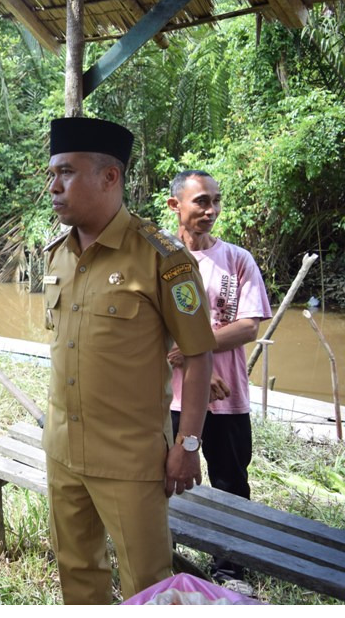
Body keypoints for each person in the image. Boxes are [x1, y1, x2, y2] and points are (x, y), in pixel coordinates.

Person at [42, 117, 216, 604]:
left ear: (109, 177)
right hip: (62, 452)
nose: (54, 187)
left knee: (149, 584)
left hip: (130, 460)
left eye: (67, 173)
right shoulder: (57, 256)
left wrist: (189, 442)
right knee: (77, 573)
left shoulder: (162, 258)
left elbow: (199, 356)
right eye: (52, 174)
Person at [166, 169, 271, 587]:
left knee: (230, 482)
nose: (211, 210)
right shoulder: (160, 257)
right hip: (169, 397)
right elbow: (143, 327)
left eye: (215, 201)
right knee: (165, 476)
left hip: (228, 398)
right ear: (176, 205)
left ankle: (229, 569)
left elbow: (247, 327)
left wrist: (197, 354)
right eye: (201, 202)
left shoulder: (237, 260)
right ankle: (161, 555)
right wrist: (192, 365)